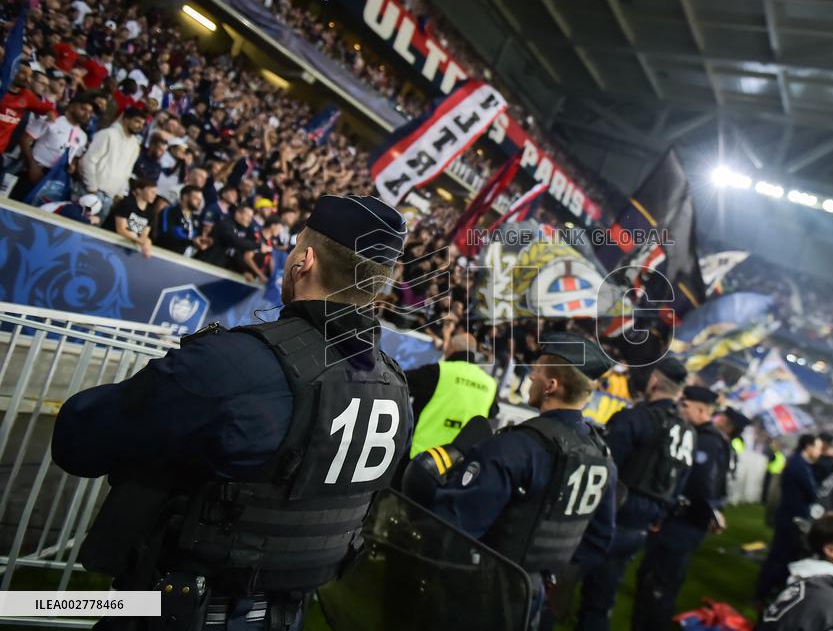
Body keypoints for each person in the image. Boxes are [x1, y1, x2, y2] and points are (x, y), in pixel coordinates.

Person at [51, 194, 411, 630]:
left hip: (177, 612)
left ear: (305, 261)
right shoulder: (395, 388)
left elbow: (79, 439)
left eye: (295, 246)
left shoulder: (236, 363)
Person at [421, 332, 617, 629]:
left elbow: (452, 529)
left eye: (536, 372)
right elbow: (599, 538)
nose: (531, 378)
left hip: (475, 597)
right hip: (534, 599)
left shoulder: (514, 449)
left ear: (551, 385)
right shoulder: (603, 458)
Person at [574, 356, 693, 631]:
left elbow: (601, 470)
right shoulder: (687, 431)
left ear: (653, 381)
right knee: (600, 603)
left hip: (603, 523)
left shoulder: (635, 418)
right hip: (640, 530)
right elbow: (679, 483)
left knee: (553, 594)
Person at [632, 385, 731, 631]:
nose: (679, 408)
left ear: (701, 410)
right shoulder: (709, 438)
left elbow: (700, 486)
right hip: (683, 523)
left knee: (657, 587)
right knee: (656, 582)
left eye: (685, 405)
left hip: (681, 524)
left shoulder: (705, 441)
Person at [405, 331, 499, 459]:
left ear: (453, 347)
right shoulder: (490, 384)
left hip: (422, 457)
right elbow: (493, 412)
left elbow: (400, 381)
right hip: (458, 462)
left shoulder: (439, 371)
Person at [756, 434, 822, 601]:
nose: (819, 452)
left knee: (779, 556)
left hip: (789, 515)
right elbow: (812, 493)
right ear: (808, 446)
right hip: (790, 517)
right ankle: (762, 594)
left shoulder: (798, 462)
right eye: (817, 447)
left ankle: (764, 592)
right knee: (779, 556)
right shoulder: (799, 465)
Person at [10, 93, 93, 201]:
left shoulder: (83, 136)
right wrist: (32, 166)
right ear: (72, 106)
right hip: (35, 170)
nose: (87, 114)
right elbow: (24, 140)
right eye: (83, 109)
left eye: (90, 112)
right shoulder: (53, 120)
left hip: (56, 179)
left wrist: (72, 166)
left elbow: (74, 157)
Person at [80, 107, 146, 220]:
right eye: (137, 121)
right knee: (77, 224)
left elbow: (127, 171)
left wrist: (120, 194)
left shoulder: (135, 145)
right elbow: (88, 160)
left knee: (93, 233)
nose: (140, 126)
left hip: (110, 197)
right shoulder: (108, 134)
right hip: (91, 191)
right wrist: (92, 188)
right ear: (125, 119)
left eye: (142, 124)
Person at [102, 176, 157, 258]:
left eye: (155, 192)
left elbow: (144, 234)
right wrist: (139, 240)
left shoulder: (150, 213)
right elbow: (120, 229)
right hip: (109, 242)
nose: (154, 195)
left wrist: (146, 242)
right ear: (139, 190)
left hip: (126, 250)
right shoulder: (126, 203)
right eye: (151, 191)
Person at [156, 184, 211, 257]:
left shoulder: (196, 219)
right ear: (185, 197)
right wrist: (190, 242)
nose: (199, 202)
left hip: (186, 260)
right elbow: (165, 236)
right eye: (196, 198)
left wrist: (203, 242)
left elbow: (197, 238)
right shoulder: (170, 211)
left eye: (200, 200)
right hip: (166, 255)